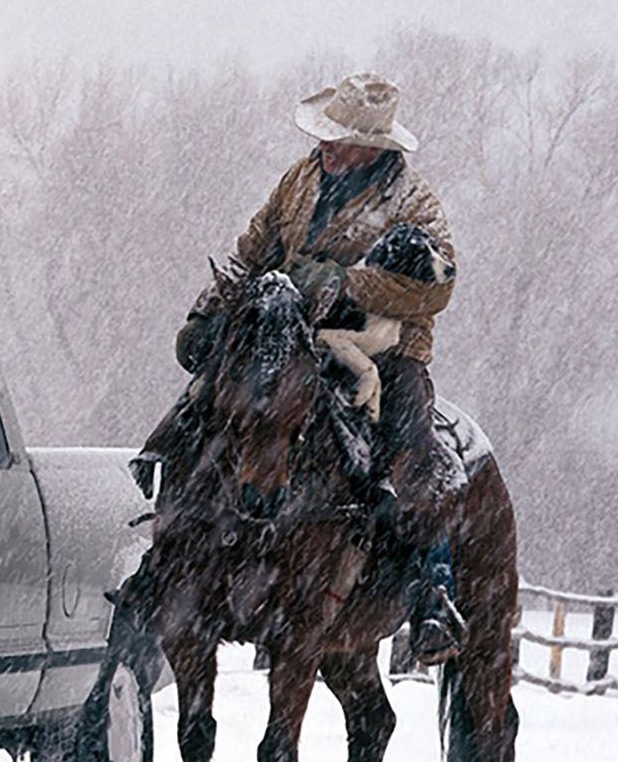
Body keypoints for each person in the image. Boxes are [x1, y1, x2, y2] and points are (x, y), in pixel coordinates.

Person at [146, 72, 464, 661]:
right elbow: (252, 251)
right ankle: (156, 554)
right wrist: (206, 315)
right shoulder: (299, 180)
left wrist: (349, 282)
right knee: (197, 411)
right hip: (290, 337)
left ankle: (430, 593)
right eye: (326, 135)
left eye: (339, 138)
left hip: (383, 351)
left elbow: (436, 288)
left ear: (376, 147)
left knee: (413, 453)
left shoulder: (414, 203)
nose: (326, 146)